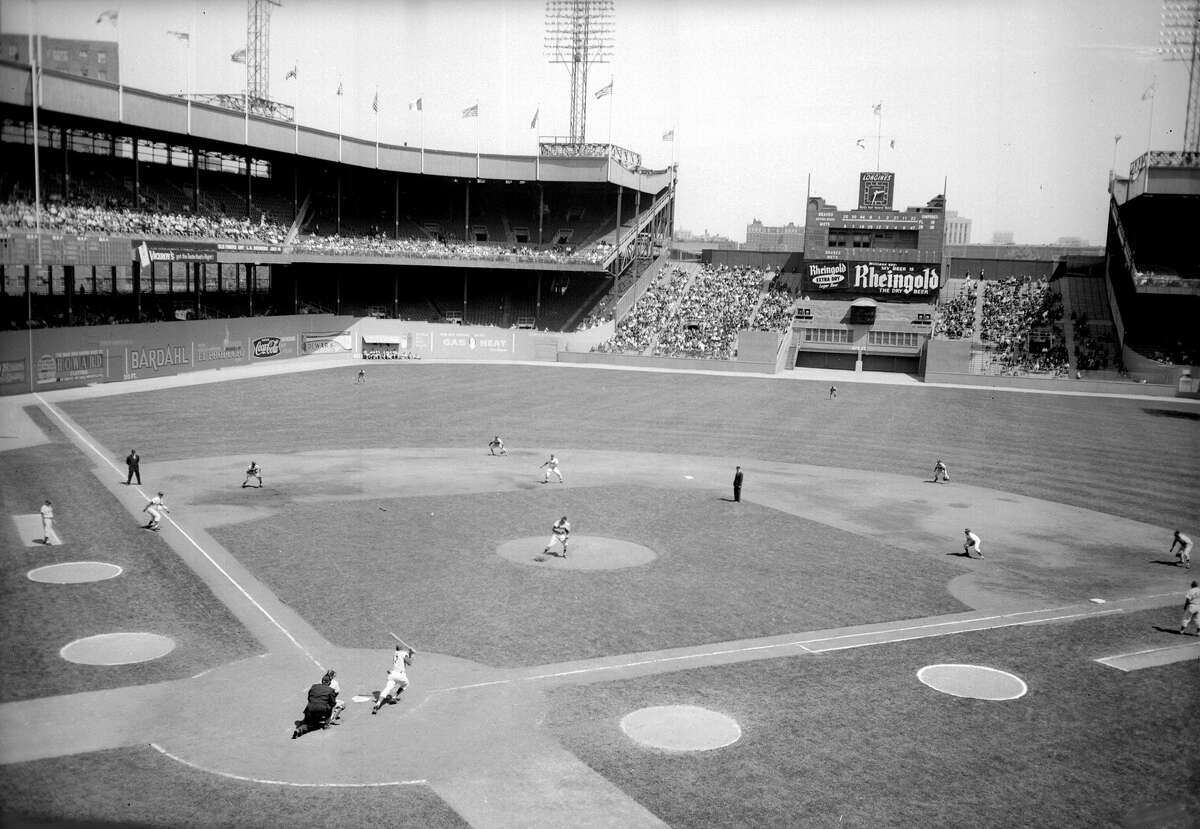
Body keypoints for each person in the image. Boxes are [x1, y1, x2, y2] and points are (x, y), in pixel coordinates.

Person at [292, 670, 340, 738]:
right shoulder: (330, 690)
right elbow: (333, 702)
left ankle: (300, 728)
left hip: (310, 709)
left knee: (310, 717)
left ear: (322, 681)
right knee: (333, 707)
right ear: (329, 682)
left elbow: (309, 697)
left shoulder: (314, 686)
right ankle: (326, 725)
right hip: (322, 709)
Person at [372, 644, 415, 714]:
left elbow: (403, 660)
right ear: (401, 648)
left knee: (387, 689)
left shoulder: (395, 653)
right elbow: (409, 663)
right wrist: (412, 654)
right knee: (406, 684)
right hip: (400, 675)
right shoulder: (403, 653)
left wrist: (410, 653)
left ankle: (377, 704)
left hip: (392, 674)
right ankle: (394, 697)